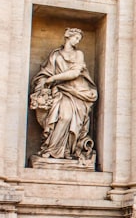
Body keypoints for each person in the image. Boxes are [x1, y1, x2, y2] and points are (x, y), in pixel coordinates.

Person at [30, 28, 99, 163]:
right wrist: (44, 82)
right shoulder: (55, 55)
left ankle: (67, 150)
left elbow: (75, 73)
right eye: (76, 38)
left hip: (78, 92)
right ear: (68, 36)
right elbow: (45, 73)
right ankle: (52, 149)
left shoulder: (78, 54)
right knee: (61, 117)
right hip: (61, 91)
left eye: (79, 39)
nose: (77, 41)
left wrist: (53, 78)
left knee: (69, 118)